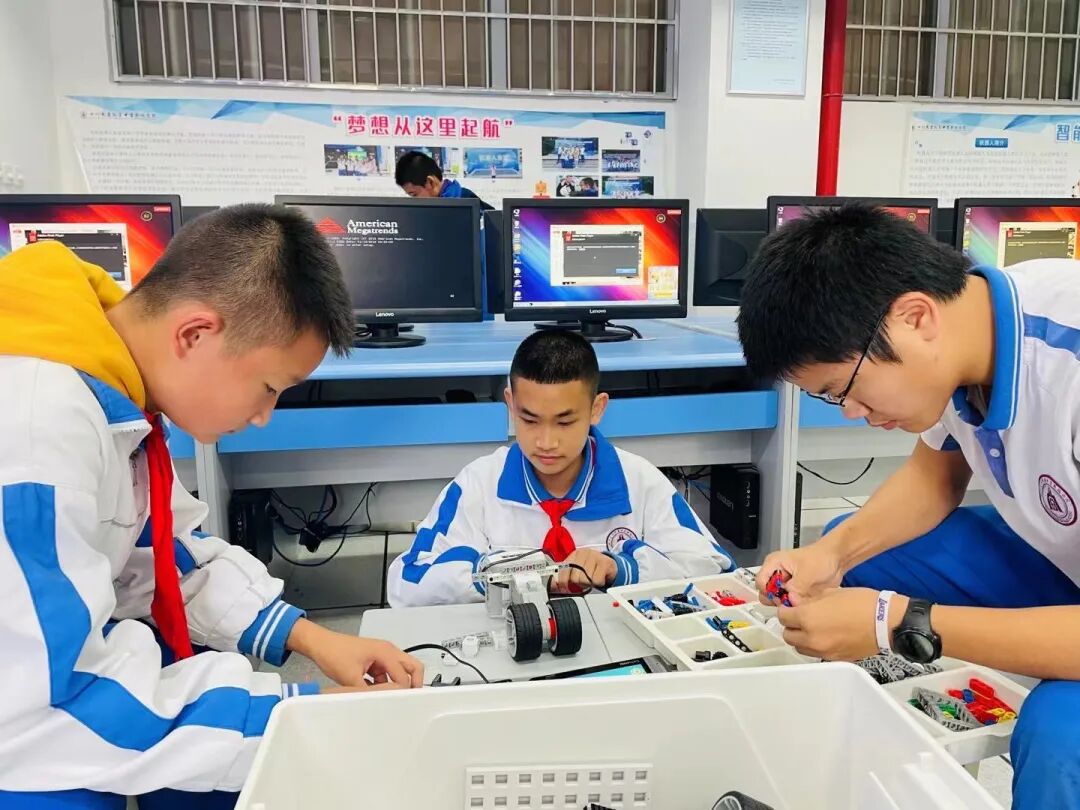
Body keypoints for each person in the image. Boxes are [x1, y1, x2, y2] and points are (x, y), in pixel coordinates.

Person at [0, 205, 423, 810]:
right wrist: (298, 715)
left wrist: (312, 638)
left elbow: (163, 555)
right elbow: (47, 701)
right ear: (194, 334)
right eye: (269, 387)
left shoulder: (110, 380)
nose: (263, 417)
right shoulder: (34, 432)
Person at [735, 203, 1080, 810]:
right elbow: (934, 476)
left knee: (1058, 736)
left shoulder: (1066, 366)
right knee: (858, 551)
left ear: (915, 317)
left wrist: (896, 623)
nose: (851, 412)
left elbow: (894, 616)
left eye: (842, 389)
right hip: (1063, 561)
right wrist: (830, 555)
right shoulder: (967, 331)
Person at [386, 330, 734, 607]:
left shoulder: (638, 480)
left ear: (597, 409)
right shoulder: (479, 483)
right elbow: (405, 584)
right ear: (510, 404)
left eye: (565, 422)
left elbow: (715, 569)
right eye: (529, 420)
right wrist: (495, 573)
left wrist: (622, 568)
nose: (546, 441)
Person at [394, 150, 493, 210]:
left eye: (414, 194)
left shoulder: (466, 200)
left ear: (430, 182)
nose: (413, 201)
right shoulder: (431, 208)